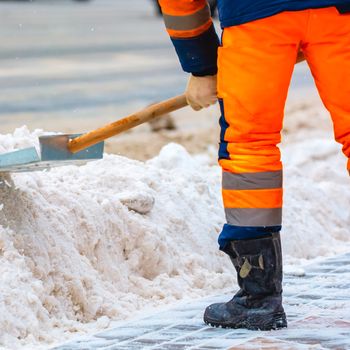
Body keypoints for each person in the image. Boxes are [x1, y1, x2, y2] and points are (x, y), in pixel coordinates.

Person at [158, 0, 350, 331]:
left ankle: (258, 300)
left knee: (249, 148)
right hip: (340, 14)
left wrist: (202, 65)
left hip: (257, 17)